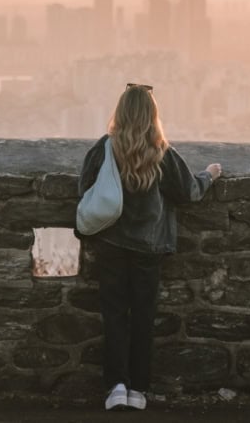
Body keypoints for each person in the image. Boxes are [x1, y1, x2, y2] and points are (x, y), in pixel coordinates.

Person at [77, 83, 222, 411]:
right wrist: (209, 175)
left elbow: (84, 185)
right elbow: (188, 192)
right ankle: (138, 389)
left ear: (122, 112)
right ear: (152, 115)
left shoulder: (106, 147)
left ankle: (116, 386)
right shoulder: (162, 152)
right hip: (150, 246)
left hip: (111, 242)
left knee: (114, 315)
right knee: (143, 318)